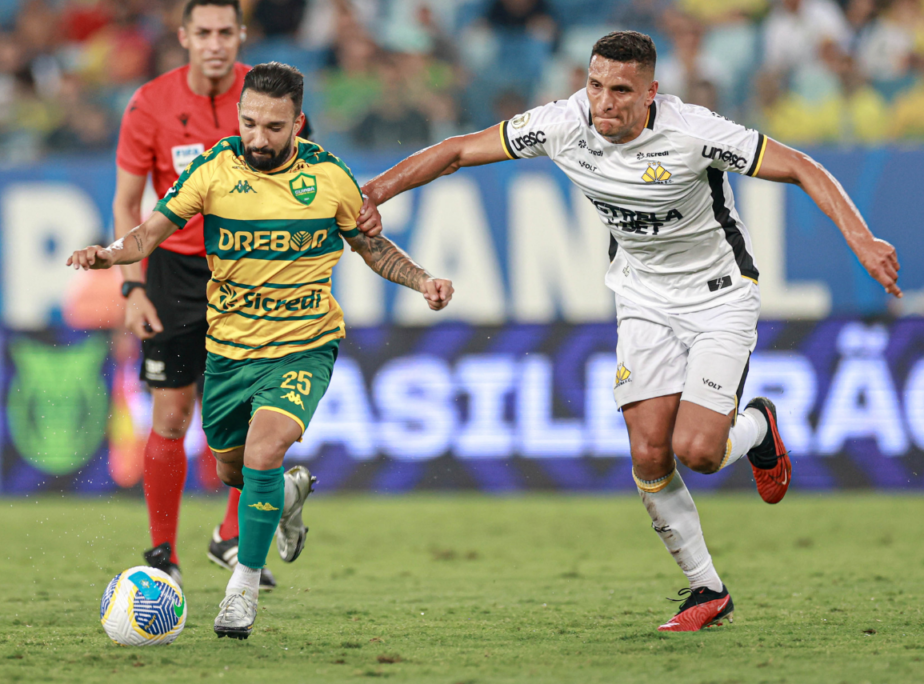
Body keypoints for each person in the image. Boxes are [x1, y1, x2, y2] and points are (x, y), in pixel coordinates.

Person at [355, 31, 901, 632]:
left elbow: (798, 165)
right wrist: (376, 190)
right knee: (648, 451)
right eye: (595, 86)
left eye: (621, 90)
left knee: (700, 452)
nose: (604, 103)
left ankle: (759, 426)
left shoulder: (694, 132)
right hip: (641, 298)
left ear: (651, 94)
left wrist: (861, 239)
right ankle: (705, 589)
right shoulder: (563, 124)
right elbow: (459, 150)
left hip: (719, 297)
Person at [69, 61, 454, 639]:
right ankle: (287, 498)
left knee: (264, 450)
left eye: (273, 127)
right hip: (228, 351)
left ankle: (241, 590)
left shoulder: (330, 178)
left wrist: (421, 279)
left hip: (305, 347)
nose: (257, 138)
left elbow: (370, 247)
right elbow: (150, 231)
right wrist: (110, 254)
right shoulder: (215, 168)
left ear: (298, 123)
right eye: (249, 123)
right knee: (233, 468)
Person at [113, 0, 311, 589]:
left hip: (248, 273)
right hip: (172, 273)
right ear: (183, 36)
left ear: (242, 35)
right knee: (171, 416)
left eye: (227, 31)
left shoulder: (266, 100)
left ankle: (229, 537)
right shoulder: (150, 103)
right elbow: (128, 203)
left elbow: (301, 176)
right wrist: (131, 285)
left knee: (254, 418)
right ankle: (161, 551)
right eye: (204, 32)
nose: (216, 43)